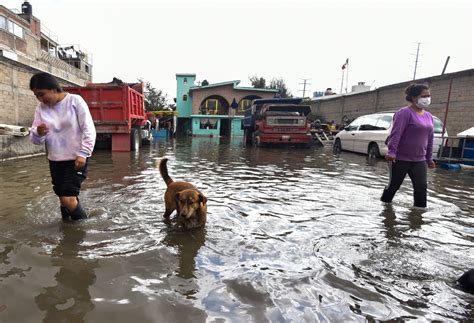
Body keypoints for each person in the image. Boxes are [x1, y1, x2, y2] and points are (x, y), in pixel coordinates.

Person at [29, 72, 96, 221]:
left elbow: (89, 129)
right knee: (62, 198)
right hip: (55, 160)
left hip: (76, 159)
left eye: (42, 94)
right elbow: (35, 140)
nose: (40, 99)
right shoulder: (40, 109)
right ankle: (67, 229)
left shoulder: (75, 101)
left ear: (53, 88)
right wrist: (38, 133)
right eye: (37, 96)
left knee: (67, 198)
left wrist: (83, 153)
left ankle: (81, 230)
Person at [381, 84, 435, 208]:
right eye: (424, 96)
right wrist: (392, 152)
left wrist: (429, 158)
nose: (427, 98)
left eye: (429, 96)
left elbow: (430, 138)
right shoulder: (404, 113)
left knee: (421, 188)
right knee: (394, 186)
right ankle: (385, 208)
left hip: (419, 160)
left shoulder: (429, 116)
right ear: (413, 97)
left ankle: (418, 217)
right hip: (400, 159)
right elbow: (396, 134)